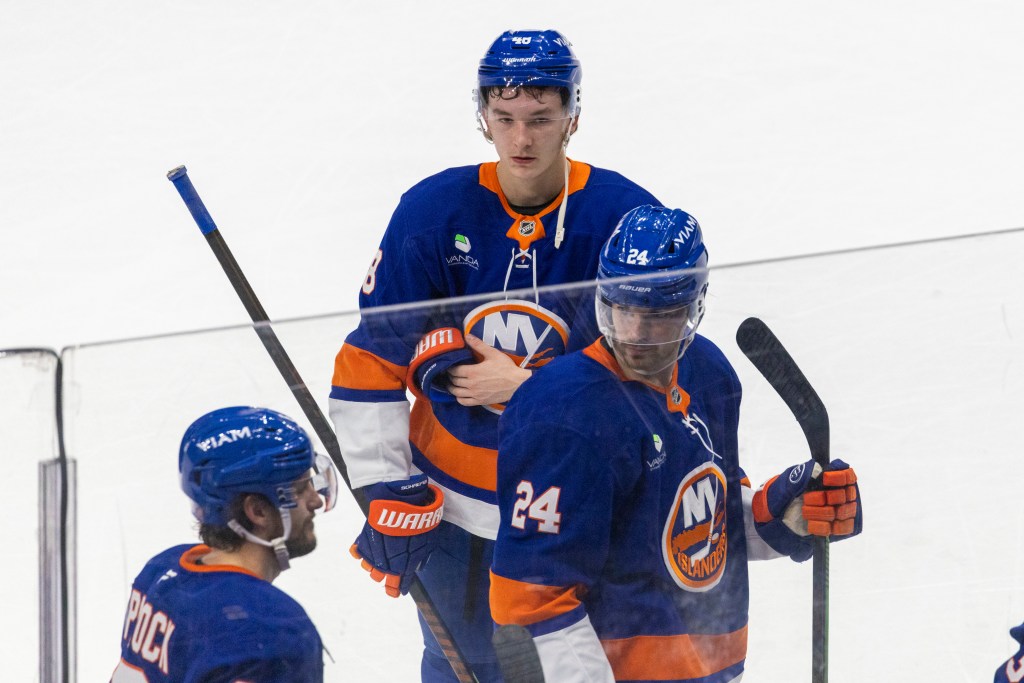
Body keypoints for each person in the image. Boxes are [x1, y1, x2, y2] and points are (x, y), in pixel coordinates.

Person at [328, 29, 661, 682]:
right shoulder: (432, 212)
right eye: (504, 119)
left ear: (573, 114)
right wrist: (384, 488)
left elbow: (657, 378)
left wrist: (531, 385)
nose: (522, 139)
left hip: (575, 507)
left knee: (575, 669)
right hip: (451, 509)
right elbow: (371, 360)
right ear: (481, 114)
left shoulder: (625, 219)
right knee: (456, 667)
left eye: (541, 118)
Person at [490, 205, 863, 682]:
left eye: (661, 316)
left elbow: (700, 523)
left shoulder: (710, 372)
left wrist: (778, 515)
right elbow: (531, 596)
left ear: (694, 307)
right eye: (624, 311)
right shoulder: (564, 412)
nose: (638, 336)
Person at [110, 406, 339, 683]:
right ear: (258, 511)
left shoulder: (160, 571)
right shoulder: (275, 630)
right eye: (301, 489)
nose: (315, 500)